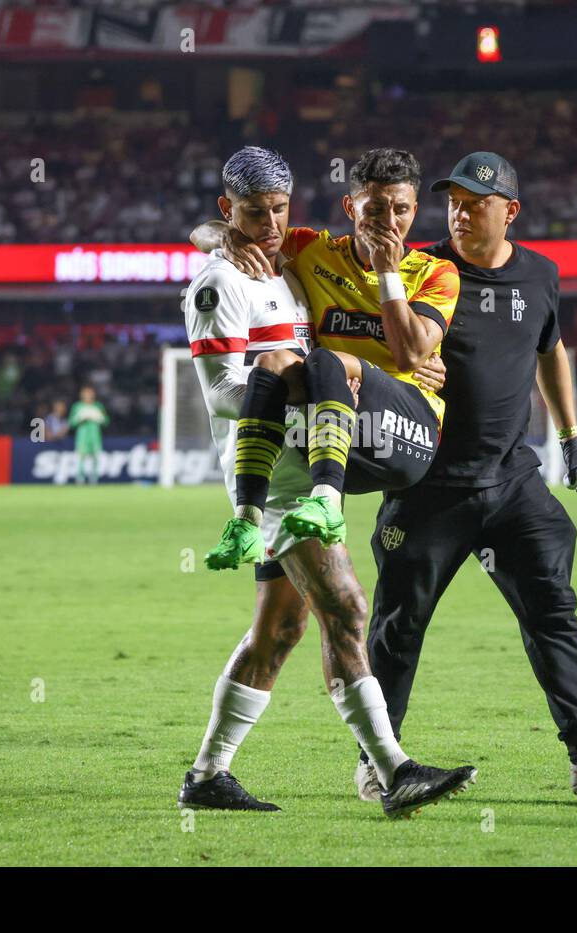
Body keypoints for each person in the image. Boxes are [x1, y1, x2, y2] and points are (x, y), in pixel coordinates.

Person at [360, 152, 577, 802]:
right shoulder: (423, 269)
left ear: (511, 211)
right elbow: (375, 337)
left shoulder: (541, 275)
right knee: (398, 625)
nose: (462, 213)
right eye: (455, 201)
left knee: (553, 605)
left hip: (511, 482)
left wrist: (573, 437)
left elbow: (550, 351)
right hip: (428, 487)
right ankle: (379, 763)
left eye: (477, 202)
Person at [178, 146, 475, 818]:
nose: (272, 224)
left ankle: (207, 776)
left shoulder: (287, 265)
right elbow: (221, 393)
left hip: (303, 449)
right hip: (275, 469)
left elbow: (372, 348)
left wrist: (371, 377)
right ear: (229, 211)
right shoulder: (219, 281)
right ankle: (393, 768)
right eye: (254, 213)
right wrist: (295, 378)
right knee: (346, 607)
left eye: (280, 209)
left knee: (278, 632)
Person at [192, 147, 460, 566]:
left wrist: (387, 272)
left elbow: (408, 356)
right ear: (350, 206)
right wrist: (225, 237)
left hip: (409, 433)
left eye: (401, 210)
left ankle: (327, 504)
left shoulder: (435, 272)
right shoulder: (314, 252)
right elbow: (218, 230)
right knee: (275, 363)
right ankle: (247, 520)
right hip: (335, 434)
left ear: (415, 210)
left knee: (324, 362)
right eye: (375, 209)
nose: (389, 223)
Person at [68, 386, 108, 484]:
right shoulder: (77, 406)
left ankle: (94, 479)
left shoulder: (98, 406)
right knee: (81, 457)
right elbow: (71, 423)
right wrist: (80, 419)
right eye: (86, 394)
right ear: (82, 395)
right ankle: (80, 478)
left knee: (95, 457)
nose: (88, 396)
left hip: (95, 436)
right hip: (82, 436)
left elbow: (106, 421)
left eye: (90, 394)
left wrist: (99, 419)